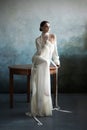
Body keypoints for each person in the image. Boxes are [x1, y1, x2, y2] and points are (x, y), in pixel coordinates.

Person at [30, 21, 60, 117]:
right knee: (45, 62)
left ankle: (43, 106)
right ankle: (37, 106)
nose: (48, 28)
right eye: (46, 26)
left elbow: (55, 51)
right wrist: (47, 43)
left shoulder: (53, 36)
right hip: (38, 58)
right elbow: (40, 53)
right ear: (41, 27)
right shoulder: (37, 39)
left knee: (46, 62)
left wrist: (56, 61)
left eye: (49, 27)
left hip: (46, 60)